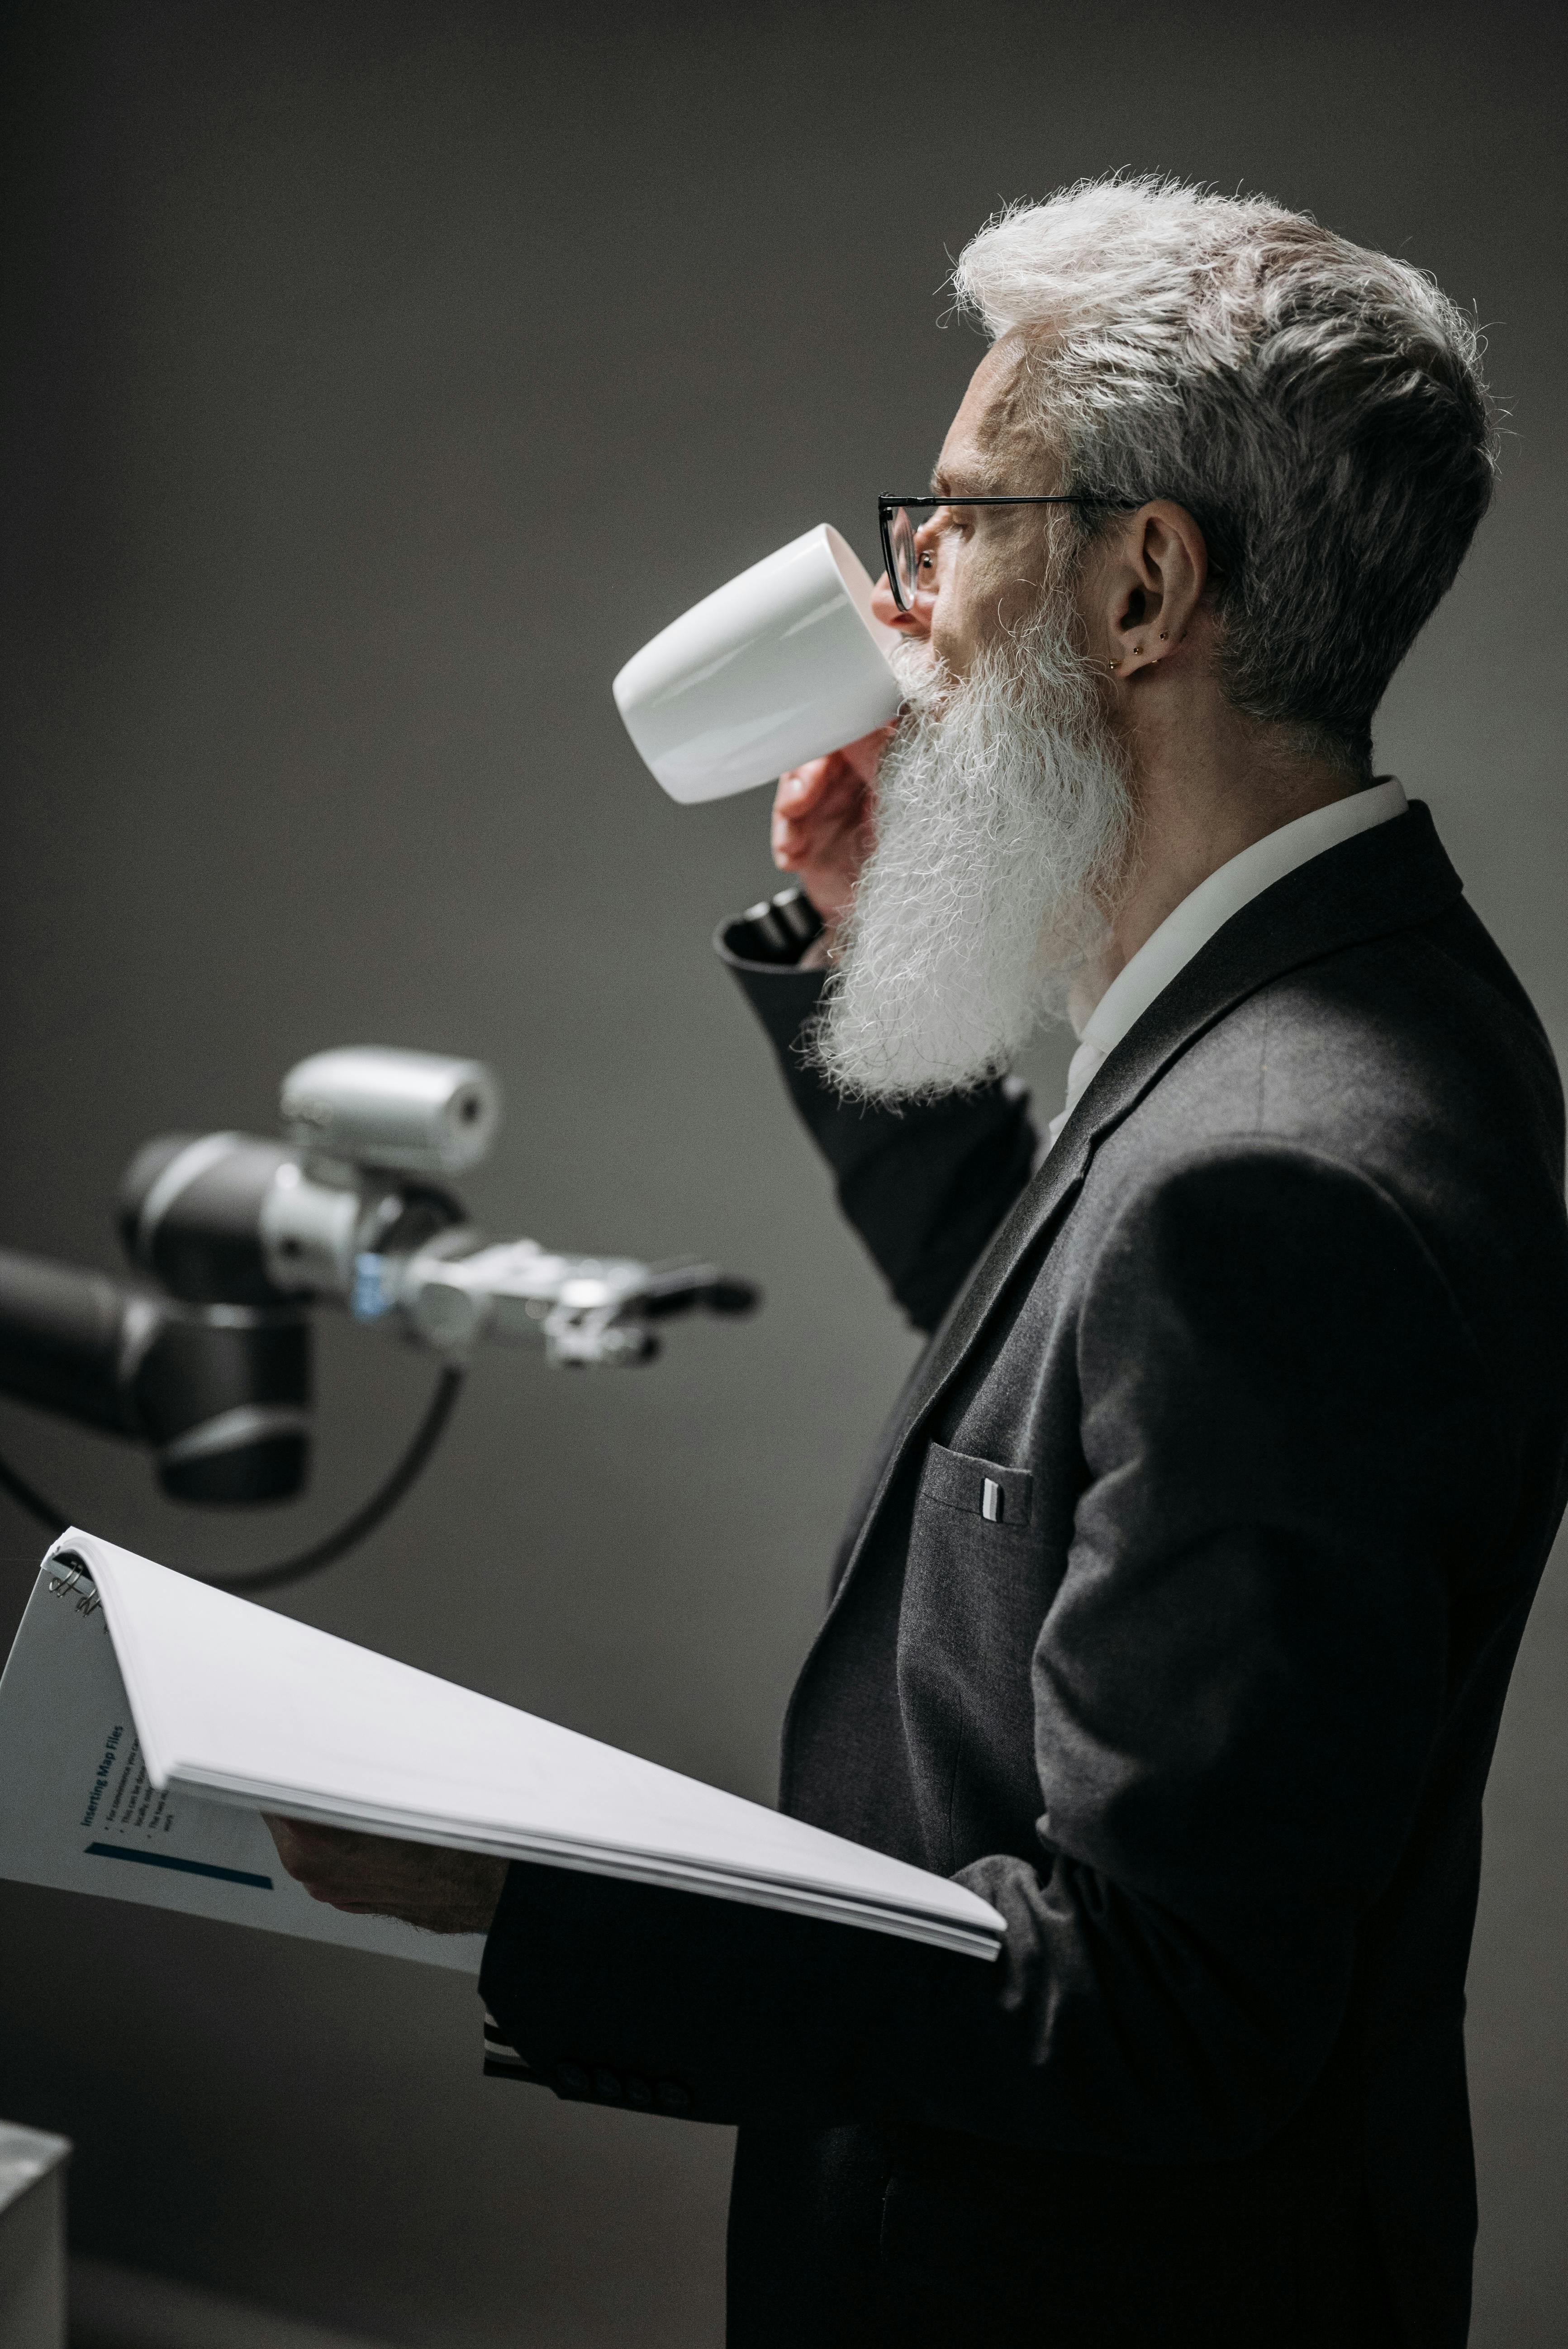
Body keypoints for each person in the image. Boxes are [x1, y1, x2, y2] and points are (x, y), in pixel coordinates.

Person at [266, 177, 1568, 2347]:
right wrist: (862, 958)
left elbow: (1158, 2010)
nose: (903, 594)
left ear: (1146, 582)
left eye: (957, 515)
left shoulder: (1285, 1174)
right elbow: (1069, 1347)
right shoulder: (1365, 1008)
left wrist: (528, 1896)